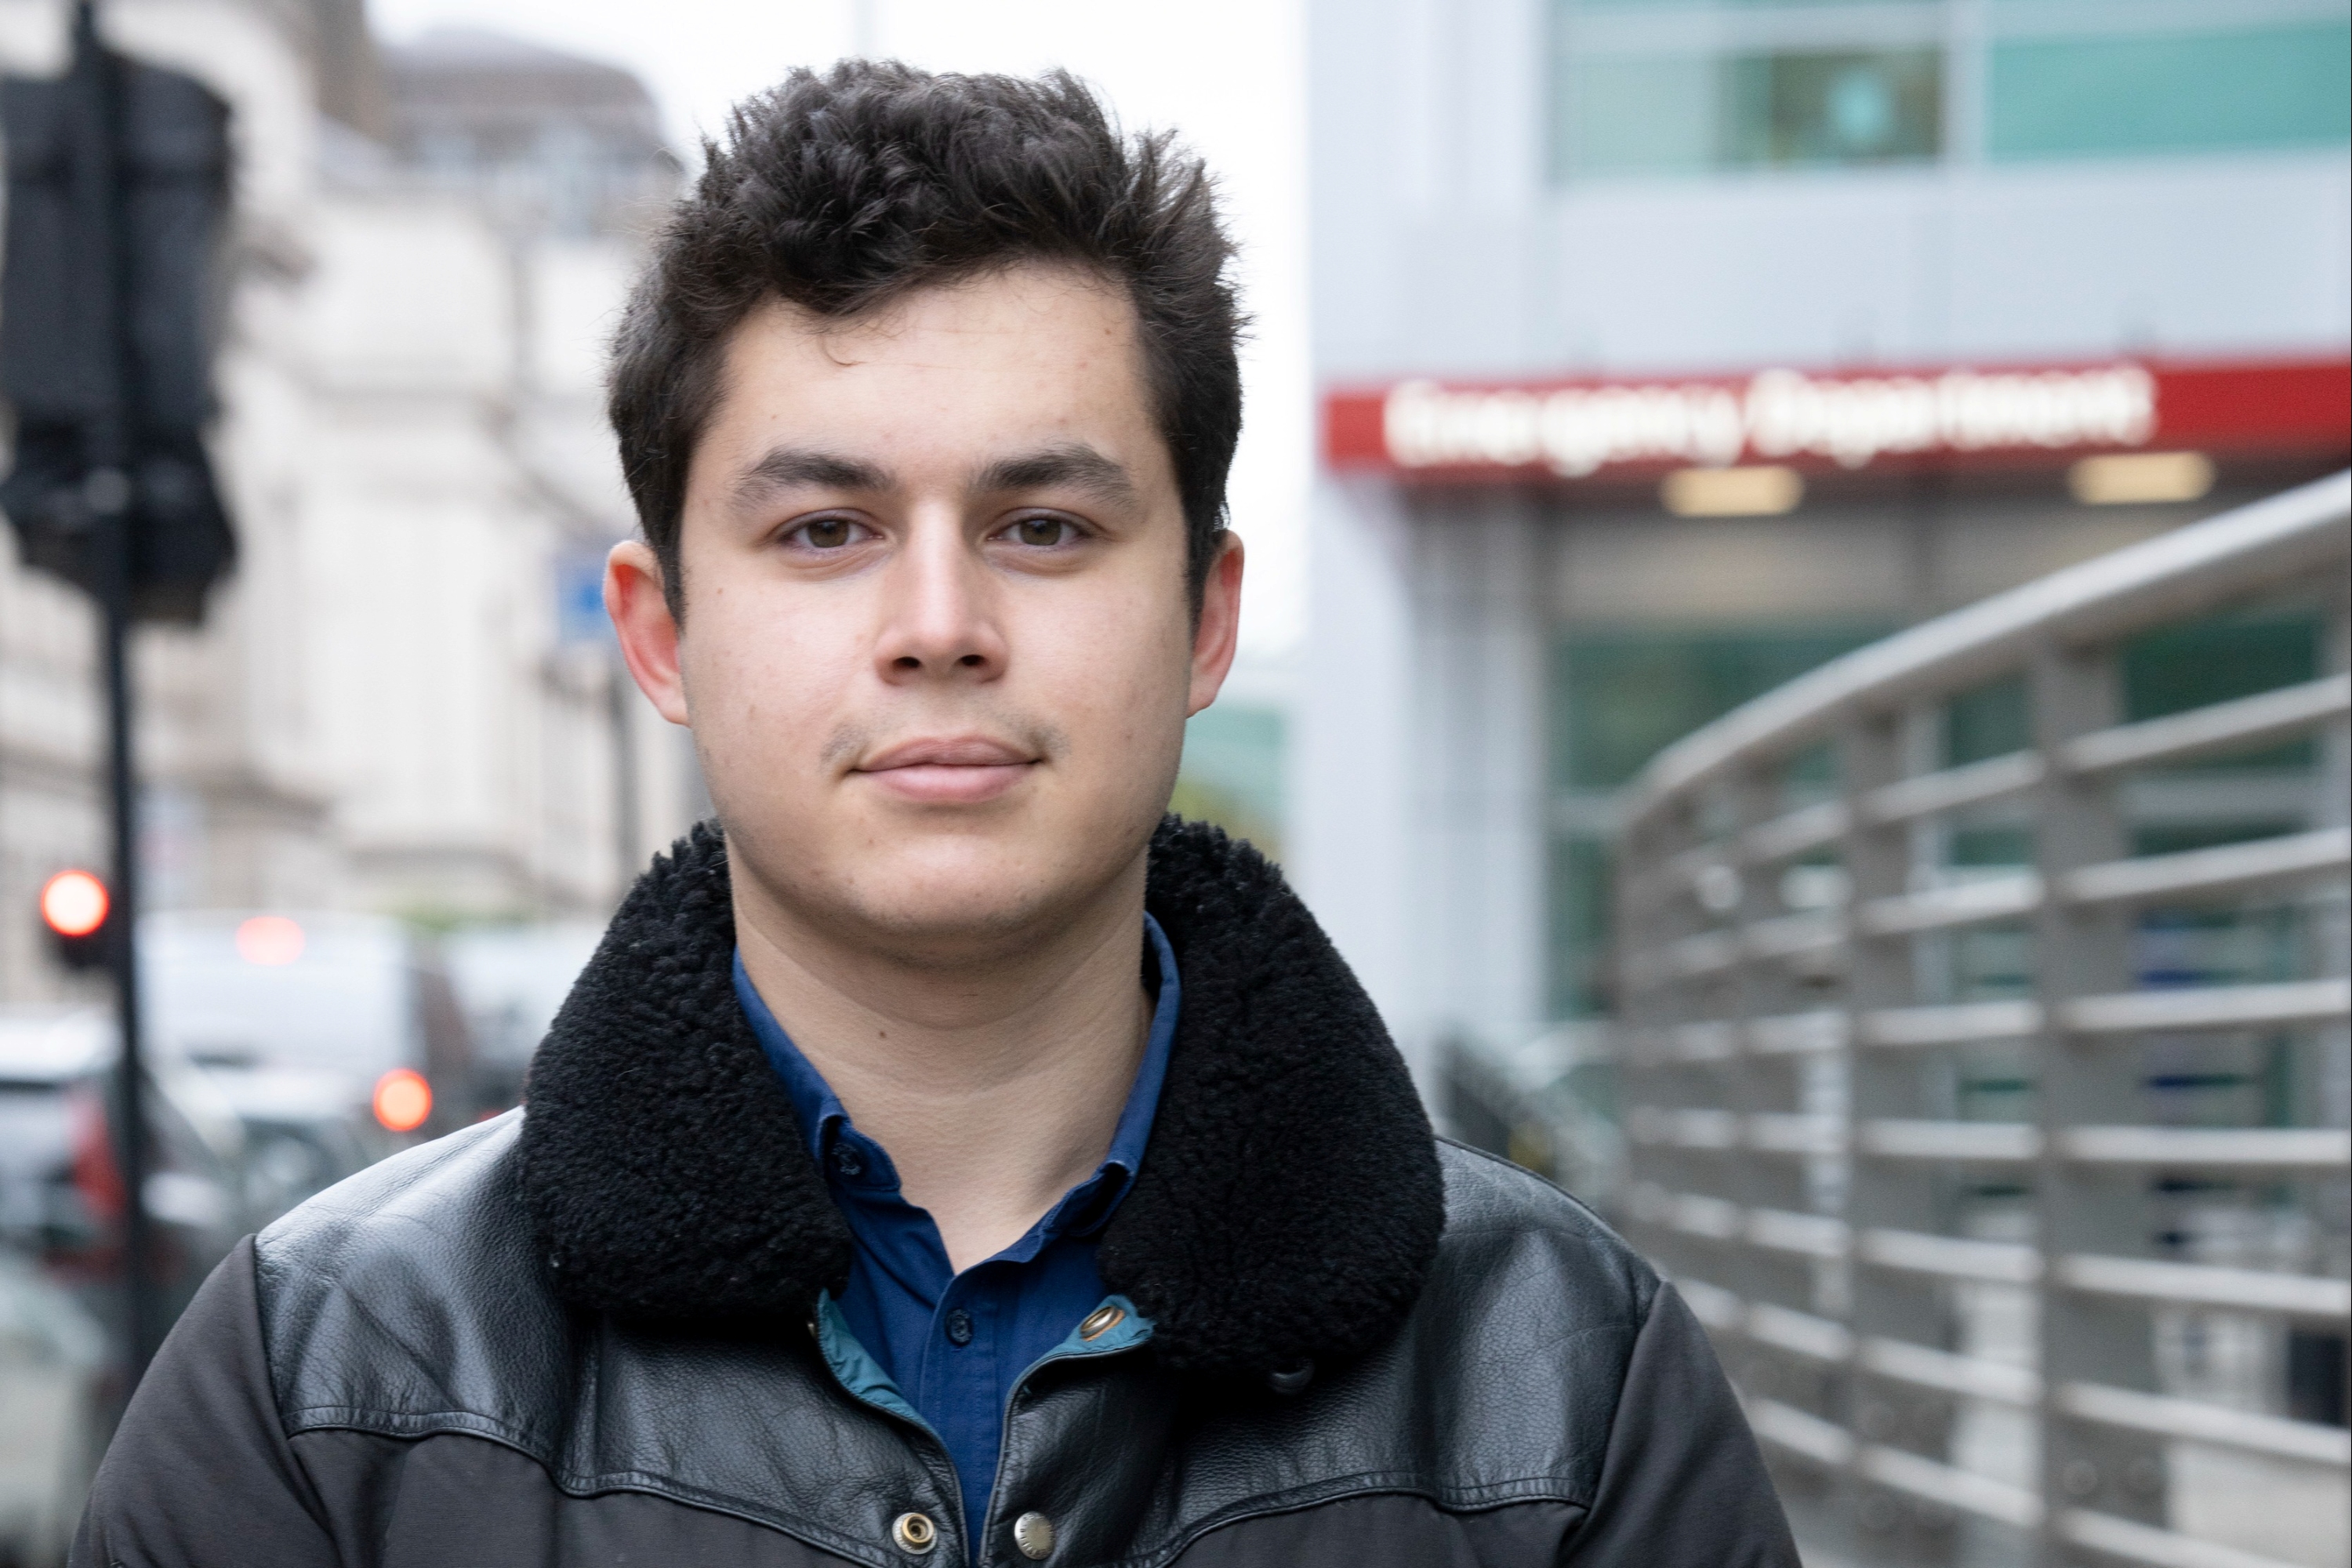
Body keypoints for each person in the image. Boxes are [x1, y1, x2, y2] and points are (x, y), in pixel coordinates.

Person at [72, 61, 1797, 1566]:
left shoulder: (1566, 1378)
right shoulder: (323, 1386)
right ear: (661, 633)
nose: (939, 618)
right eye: (825, 529)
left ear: (1204, 618)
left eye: (1042, 524)